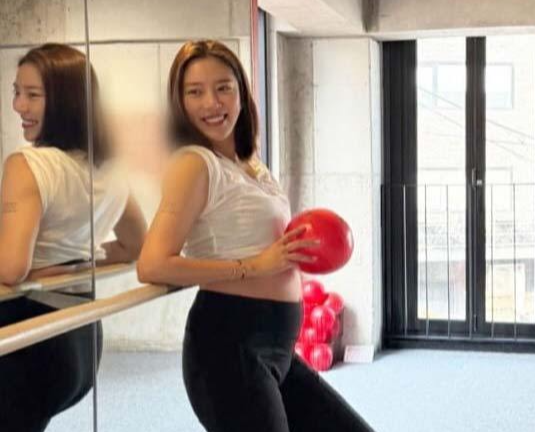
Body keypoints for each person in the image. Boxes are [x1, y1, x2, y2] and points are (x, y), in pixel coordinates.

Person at [137, 39, 374, 432]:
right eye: (195, 92)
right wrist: (255, 266)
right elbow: (153, 264)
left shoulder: (248, 163)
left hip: (277, 345)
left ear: (241, 93)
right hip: (227, 347)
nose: (212, 103)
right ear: (180, 103)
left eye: (223, 88)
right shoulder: (194, 164)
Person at [0, 43, 147, 432]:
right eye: (17, 92)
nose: (18, 106)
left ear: (66, 101)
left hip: (29, 334)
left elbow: (10, 269)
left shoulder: (28, 164)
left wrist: (48, 265)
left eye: (33, 95)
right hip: (79, 340)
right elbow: (135, 244)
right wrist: (75, 264)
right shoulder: (111, 167)